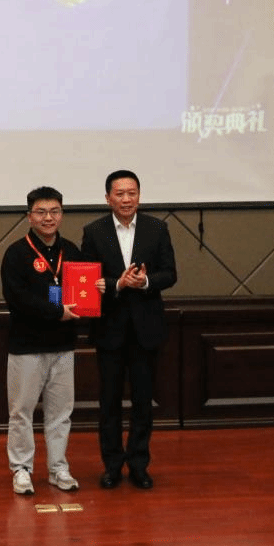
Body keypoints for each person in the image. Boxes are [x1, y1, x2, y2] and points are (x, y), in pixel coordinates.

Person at [81, 170, 177, 490]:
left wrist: (146, 281)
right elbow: (87, 278)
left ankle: (138, 464)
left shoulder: (157, 228)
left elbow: (170, 274)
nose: (126, 199)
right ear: (108, 198)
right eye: (119, 194)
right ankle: (111, 466)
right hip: (109, 329)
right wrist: (117, 284)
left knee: (142, 402)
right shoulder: (94, 231)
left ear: (139, 196)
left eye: (132, 193)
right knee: (109, 403)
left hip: (146, 330)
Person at [0, 186, 83, 495]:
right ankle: (21, 469)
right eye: (41, 212)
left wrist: (94, 292)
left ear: (62, 214)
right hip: (27, 347)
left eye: (54, 211)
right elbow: (17, 298)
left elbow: (81, 291)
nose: (48, 218)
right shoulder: (16, 253)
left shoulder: (71, 251)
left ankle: (58, 467)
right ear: (29, 216)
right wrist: (57, 312)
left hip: (63, 346)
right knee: (21, 412)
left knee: (61, 413)